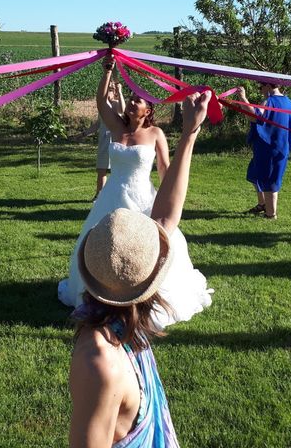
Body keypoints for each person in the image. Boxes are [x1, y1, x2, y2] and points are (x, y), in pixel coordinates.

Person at [69, 89, 212, 448]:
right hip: (116, 195)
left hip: (136, 197)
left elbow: (163, 215)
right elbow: (165, 219)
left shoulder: (103, 352)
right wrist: (191, 131)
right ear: (150, 278)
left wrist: (188, 134)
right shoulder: (115, 346)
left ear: (88, 268)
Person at [57, 54, 212, 329]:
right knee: (104, 244)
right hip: (111, 196)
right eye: (130, 99)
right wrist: (107, 71)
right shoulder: (117, 127)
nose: (131, 102)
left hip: (142, 198)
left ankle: (142, 291)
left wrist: (167, 197)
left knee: (147, 246)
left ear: (148, 110)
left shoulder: (156, 134)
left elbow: (165, 169)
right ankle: (100, 290)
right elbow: (101, 103)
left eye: (137, 100)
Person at [235, 82, 291, 219]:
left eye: (261, 87)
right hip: (277, 147)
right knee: (254, 174)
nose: (260, 90)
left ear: (268, 86)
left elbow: (253, 117)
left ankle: (271, 215)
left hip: (270, 148)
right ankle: (262, 204)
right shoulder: (288, 102)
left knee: (270, 180)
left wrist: (243, 98)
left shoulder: (269, 101)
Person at [86, 76, 125, 200]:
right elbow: (98, 124)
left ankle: (118, 195)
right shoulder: (103, 106)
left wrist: (120, 92)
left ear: (114, 91)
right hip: (104, 140)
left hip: (115, 140)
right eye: (107, 89)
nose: (108, 92)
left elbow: (123, 110)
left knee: (117, 170)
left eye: (111, 90)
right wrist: (83, 134)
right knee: (101, 169)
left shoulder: (116, 104)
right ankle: (99, 195)